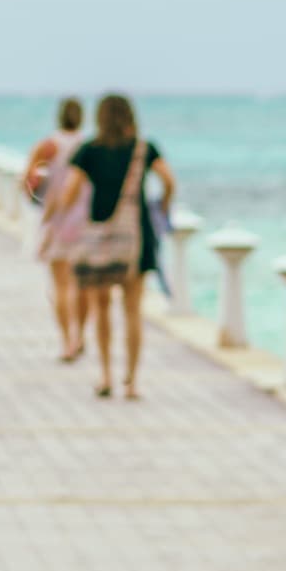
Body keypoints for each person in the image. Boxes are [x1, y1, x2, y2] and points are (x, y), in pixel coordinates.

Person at [67, 93, 177, 399]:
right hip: (136, 238)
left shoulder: (89, 150)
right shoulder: (144, 148)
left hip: (100, 237)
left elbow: (70, 192)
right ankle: (131, 381)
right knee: (132, 311)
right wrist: (163, 208)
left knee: (102, 308)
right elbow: (169, 181)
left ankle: (105, 376)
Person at [23, 97, 88, 359]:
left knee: (60, 286)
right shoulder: (88, 146)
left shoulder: (47, 146)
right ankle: (81, 334)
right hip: (85, 222)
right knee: (81, 285)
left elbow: (27, 181)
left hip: (56, 220)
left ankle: (66, 342)